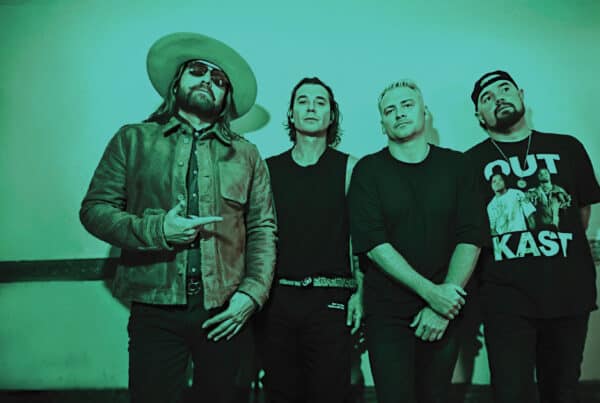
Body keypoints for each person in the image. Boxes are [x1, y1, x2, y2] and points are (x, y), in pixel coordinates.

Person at [79, 32, 277, 403]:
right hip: (154, 311)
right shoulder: (133, 140)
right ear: (176, 82)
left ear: (225, 98)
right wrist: (158, 230)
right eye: (197, 71)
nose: (207, 81)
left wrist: (252, 294)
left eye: (219, 80)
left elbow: (263, 228)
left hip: (226, 310)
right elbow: (94, 210)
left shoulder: (247, 154)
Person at [465, 70, 600, 403]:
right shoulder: (469, 163)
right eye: (487, 98)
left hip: (569, 292)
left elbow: (581, 211)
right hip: (504, 299)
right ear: (479, 116)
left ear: (521, 95)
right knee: (511, 392)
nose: (498, 98)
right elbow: (470, 232)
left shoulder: (566, 147)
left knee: (562, 390)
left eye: (505, 89)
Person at [348, 79, 484, 403]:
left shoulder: (458, 166)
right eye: (389, 110)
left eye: (407, 105)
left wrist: (443, 305)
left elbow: (472, 235)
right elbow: (373, 243)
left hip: (446, 308)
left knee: (434, 396)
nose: (399, 113)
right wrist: (432, 294)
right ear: (382, 124)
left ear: (425, 113)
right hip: (387, 313)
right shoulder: (368, 170)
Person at [257, 77, 363, 403]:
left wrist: (361, 293)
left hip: (331, 297)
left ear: (332, 115)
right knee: (281, 392)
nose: (311, 107)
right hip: (277, 299)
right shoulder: (267, 169)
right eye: (303, 101)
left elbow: (360, 238)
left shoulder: (350, 168)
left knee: (329, 392)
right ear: (291, 114)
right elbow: (257, 236)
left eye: (320, 102)